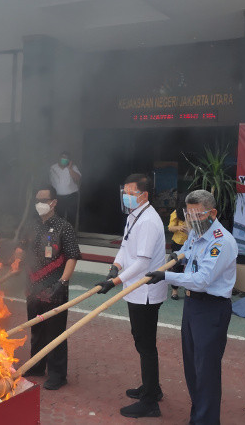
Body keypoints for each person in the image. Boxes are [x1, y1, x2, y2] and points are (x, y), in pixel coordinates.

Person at [141, 189, 237, 425]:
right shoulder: (196, 232)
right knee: (193, 367)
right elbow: (189, 251)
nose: (192, 221)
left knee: (206, 371)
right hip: (193, 306)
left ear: (212, 213)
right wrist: (179, 255)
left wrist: (165, 276)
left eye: (198, 215)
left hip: (211, 309)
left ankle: (206, 420)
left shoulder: (222, 241)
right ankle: (199, 415)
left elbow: (202, 279)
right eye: (189, 215)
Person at [94, 173, 166, 417]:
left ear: (143, 195)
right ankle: (152, 388)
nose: (125, 196)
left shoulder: (148, 221)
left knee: (146, 346)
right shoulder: (134, 216)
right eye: (123, 192)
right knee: (140, 340)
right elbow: (125, 247)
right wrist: (114, 267)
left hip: (145, 292)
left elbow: (142, 263)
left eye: (130, 193)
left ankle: (150, 402)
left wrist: (114, 282)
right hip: (134, 290)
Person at [20, 185, 80, 391]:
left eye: (43, 200)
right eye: (37, 200)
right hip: (33, 288)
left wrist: (63, 283)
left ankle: (57, 374)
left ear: (53, 202)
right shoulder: (32, 226)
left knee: (55, 333)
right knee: (36, 330)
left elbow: (72, 257)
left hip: (55, 287)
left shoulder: (65, 228)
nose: (39, 204)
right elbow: (23, 250)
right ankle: (36, 366)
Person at [48, 151, 81, 227]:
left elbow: (78, 178)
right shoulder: (53, 168)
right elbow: (50, 181)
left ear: (69, 160)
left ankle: (70, 237)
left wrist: (70, 169)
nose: (64, 159)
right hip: (58, 197)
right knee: (58, 218)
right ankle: (59, 237)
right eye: (63, 157)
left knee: (71, 218)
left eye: (66, 158)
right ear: (59, 158)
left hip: (71, 196)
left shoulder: (73, 167)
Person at [167, 203, 188, 300]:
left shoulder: (195, 212)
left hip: (193, 243)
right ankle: (174, 290)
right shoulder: (176, 213)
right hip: (178, 243)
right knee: (177, 267)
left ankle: (189, 289)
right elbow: (170, 228)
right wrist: (178, 228)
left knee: (192, 267)